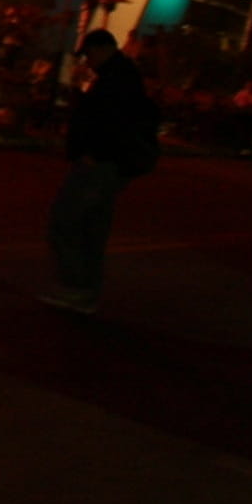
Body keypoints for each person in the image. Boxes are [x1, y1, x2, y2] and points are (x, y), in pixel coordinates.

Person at [45, 29, 161, 314]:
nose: (88, 61)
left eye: (89, 54)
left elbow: (111, 121)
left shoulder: (117, 79)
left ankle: (76, 287)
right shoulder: (121, 75)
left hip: (101, 163)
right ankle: (84, 290)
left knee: (69, 221)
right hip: (109, 162)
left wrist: (93, 154)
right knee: (90, 226)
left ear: (99, 50)